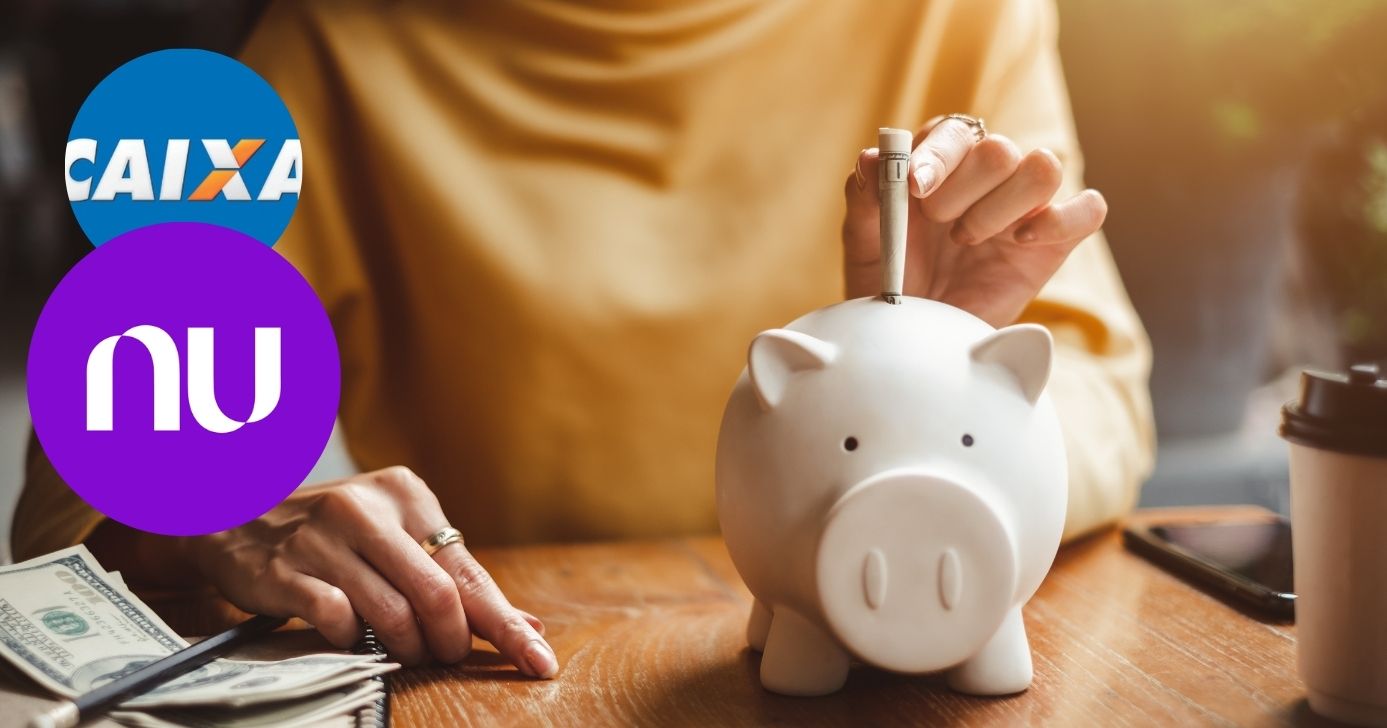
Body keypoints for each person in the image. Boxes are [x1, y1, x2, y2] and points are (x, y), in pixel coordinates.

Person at [13, 0, 1154, 679]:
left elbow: (1103, 393)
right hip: (519, 676)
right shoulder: (331, 49)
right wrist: (213, 511)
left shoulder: (949, 15)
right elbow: (77, 502)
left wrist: (942, 362)